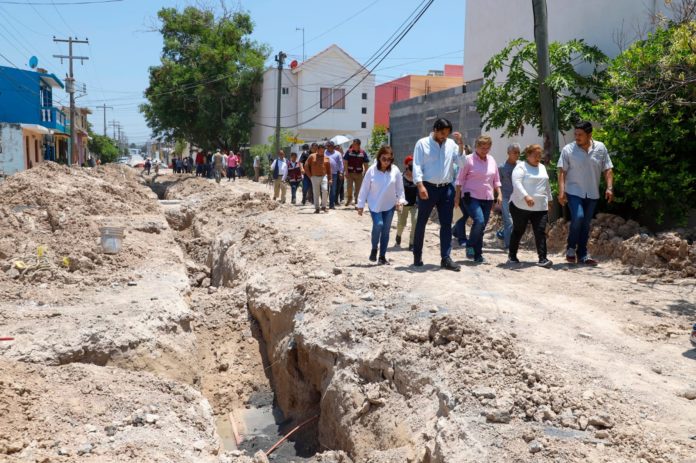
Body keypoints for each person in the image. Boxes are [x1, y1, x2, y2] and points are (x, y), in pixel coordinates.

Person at [412, 118, 466, 271]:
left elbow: (462, 164)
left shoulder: (451, 144)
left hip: (446, 189)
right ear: (435, 129)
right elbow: (417, 166)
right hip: (427, 188)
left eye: (447, 134)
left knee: (446, 224)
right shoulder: (422, 143)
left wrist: (461, 145)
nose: (444, 136)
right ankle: (417, 255)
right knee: (421, 222)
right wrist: (420, 185)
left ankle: (446, 258)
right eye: (442, 133)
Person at [558, 121, 614, 265]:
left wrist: (609, 187)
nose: (576, 137)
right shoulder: (568, 150)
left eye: (580, 135)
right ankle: (571, 248)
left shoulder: (600, 148)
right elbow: (562, 172)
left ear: (589, 135)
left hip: (592, 192)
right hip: (573, 191)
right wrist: (562, 191)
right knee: (578, 217)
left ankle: (582, 254)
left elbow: (608, 169)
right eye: (575, 134)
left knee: (585, 224)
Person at [455, 134, 502, 263]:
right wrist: (457, 197)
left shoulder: (492, 160)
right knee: (479, 221)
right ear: (476, 146)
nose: (485, 150)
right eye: (482, 148)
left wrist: (499, 194)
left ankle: (478, 255)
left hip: (487, 198)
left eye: (487, 148)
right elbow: (459, 179)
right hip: (471, 196)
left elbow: (496, 180)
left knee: (481, 227)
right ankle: (470, 246)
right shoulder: (468, 159)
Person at [357, 146, 405, 265]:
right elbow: (364, 188)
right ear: (379, 157)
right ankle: (374, 248)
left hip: (389, 205)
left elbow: (400, 188)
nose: (386, 162)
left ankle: (382, 256)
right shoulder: (371, 170)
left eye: (389, 159)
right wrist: (360, 204)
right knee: (378, 224)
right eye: (384, 159)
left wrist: (400, 200)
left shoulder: (395, 170)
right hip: (375, 204)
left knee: (386, 231)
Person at [507, 144, 553, 268]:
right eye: (535, 155)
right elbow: (517, 183)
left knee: (540, 231)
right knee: (519, 230)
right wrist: (526, 196)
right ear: (528, 155)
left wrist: (549, 199)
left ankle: (543, 258)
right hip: (520, 206)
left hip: (540, 207)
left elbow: (546, 184)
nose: (538, 157)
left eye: (539, 155)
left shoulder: (542, 167)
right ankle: (512, 256)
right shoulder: (521, 167)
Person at [498, 143, 521, 250]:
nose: (517, 155)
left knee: (517, 222)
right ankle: (509, 246)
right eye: (514, 152)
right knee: (509, 221)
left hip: (518, 198)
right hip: (506, 197)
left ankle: (502, 234)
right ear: (508, 153)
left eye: (518, 152)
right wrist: (498, 197)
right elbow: (497, 183)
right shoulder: (502, 167)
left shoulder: (521, 166)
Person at [395, 155, 418, 251]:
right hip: (403, 204)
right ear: (406, 166)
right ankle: (398, 235)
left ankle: (412, 243)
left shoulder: (417, 178)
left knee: (415, 221)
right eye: (410, 165)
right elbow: (396, 191)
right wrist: (397, 202)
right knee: (402, 223)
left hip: (414, 205)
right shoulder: (400, 177)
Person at [452, 144, 473, 248]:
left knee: (465, 215)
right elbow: (454, 180)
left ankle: (455, 231)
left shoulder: (472, 163)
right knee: (460, 216)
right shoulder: (457, 165)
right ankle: (462, 238)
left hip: (469, 193)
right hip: (458, 193)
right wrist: (456, 194)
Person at [305, 143, 332, 213]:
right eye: (321, 151)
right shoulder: (312, 156)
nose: (322, 152)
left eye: (323, 151)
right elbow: (306, 166)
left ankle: (324, 206)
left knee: (325, 190)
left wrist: (330, 179)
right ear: (317, 150)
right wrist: (310, 176)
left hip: (323, 176)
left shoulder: (326, 158)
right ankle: (317, 208)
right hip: (314, 177)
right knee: (316, 192)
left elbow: (329, 170)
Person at [343, 138, 370, 207]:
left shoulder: (363, 153)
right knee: (349, 187)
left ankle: (357, 201)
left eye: (354, 144)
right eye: (353, 144)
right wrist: (346, 172)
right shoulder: (349, 152)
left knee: (358, 189)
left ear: (358, 145)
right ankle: (349, 198)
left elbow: (366, 163)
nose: (353, 145)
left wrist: (366, 173)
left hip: (359, 173)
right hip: (350, 173)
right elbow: (345, 162)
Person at [325, 141, 344, 209]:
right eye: (328, 146)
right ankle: (323, 203)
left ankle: (331, 204)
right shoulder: (324, 152)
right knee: (324, 189)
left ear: (333, 146)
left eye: (330, 146)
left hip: (334, 174)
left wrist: (341, 172)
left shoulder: (338, 153)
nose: (328, 147)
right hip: (325, 174)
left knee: (333, 189)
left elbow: (341, 163)